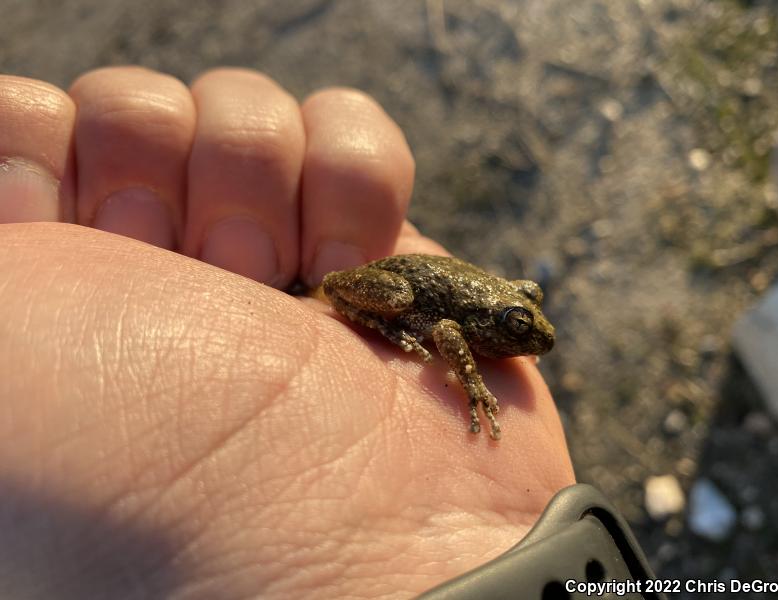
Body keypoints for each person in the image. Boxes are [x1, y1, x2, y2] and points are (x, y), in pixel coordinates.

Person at [0, 67, 575, 598]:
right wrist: (469, 383)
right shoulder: (464, 324)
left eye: (526, 311)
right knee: (398, 296)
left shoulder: (483, 327)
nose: (535, 333)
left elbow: (451, 327)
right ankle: (367, 312)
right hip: (400, 287)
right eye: (518, 323)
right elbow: (448, 331)